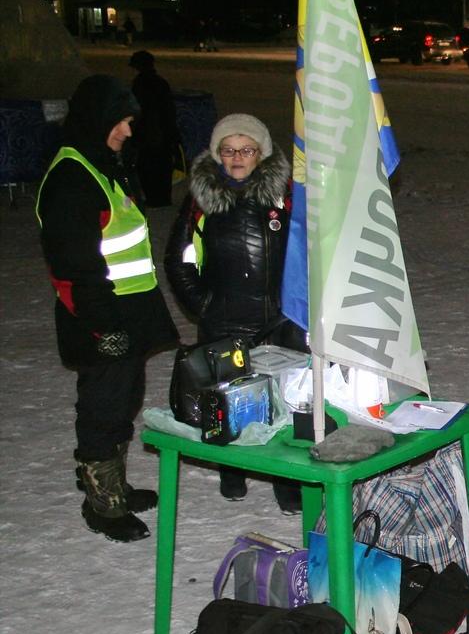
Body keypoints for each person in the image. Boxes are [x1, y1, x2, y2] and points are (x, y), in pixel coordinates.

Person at [36, 75, 178, 542]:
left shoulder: (101, 165)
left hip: (124, 315)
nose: (128, 132)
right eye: (121, 122)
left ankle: (111, 481)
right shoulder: (72, 177)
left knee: (123, 399)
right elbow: (73, 266)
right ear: (97, 119)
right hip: (101, 319)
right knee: (103, 405)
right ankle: (103, 503)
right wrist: (102, 327)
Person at [165, 113, 305, 512]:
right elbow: (179, 258)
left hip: (279, 318)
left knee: (284, 400)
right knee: (226, 398)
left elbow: (310, 247)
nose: (236, 157)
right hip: (224, 316)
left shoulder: (287, 194)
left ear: (261, 153)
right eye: (228, 150)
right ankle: (231, 470)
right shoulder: (202, 200)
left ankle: (286, 479)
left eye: (245, 149)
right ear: (217, 154)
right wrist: (202, 304)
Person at [128, 50, 180, 208]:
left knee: (148, 167)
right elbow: (169, 110)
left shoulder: (140, 83)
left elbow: (138, 110)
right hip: (164, 132)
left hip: (149, 133)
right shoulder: (160, 82)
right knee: (163, 167)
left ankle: (153, 198)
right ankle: (163, 197)